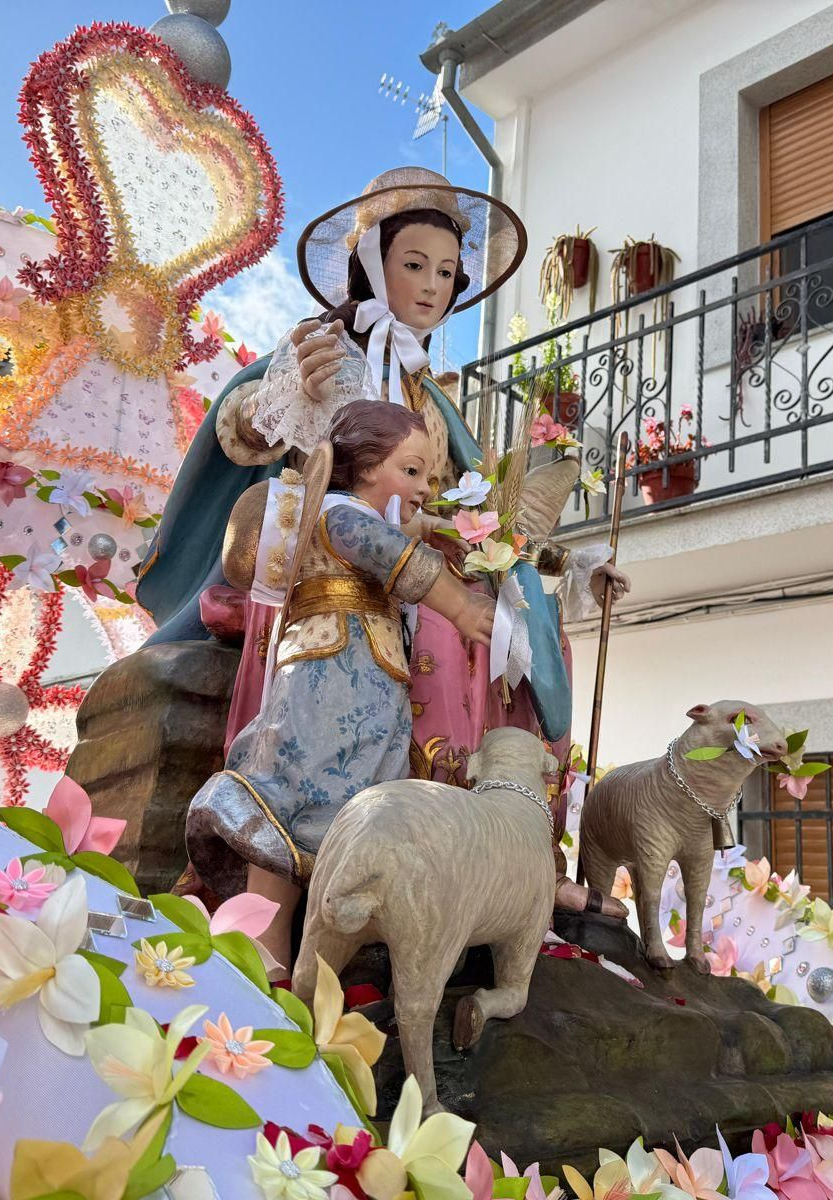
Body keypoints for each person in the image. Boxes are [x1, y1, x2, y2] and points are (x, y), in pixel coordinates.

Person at [142, 167, 629, 947]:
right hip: (331, 573)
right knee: (452, 629)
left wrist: (555, 573)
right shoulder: (324, 352)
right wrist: (289, 397)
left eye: (446, 272)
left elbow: (472, 505)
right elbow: (245, 425)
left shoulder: (430, 391)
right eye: (414, 265)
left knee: (530, 630)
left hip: (412, 565)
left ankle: (511, 854)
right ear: (374, 263)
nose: (432, 286)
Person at [187, 400, 496, 966]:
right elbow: (393, 556)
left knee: (356, 796)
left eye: (429, 476)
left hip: (370, 680)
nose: (425, 487)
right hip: (327, 678)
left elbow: (403, 540)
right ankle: (264, 950)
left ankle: (311, 958)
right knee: (303, 790)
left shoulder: (364, 518)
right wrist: (459, 606)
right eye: (412, 470)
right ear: (368, 466)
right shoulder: (339, 514)